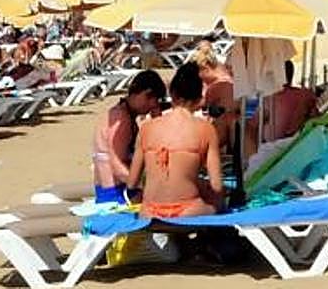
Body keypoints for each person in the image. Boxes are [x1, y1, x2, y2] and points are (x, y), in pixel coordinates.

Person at [128, 63, 223, 218]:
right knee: (218, 203)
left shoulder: (146, 128)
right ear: (199, 99)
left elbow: (132, 183)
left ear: (171, 93)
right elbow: (217, 186)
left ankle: (176, 241)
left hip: (150, 212)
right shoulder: (206, 129)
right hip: (188, 211)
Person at [92, 69, 166, 204]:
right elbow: (117, 166)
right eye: (152, 102)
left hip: (112, 188)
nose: (151, 107)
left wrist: (156, 115)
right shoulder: (122, 119)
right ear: (145, 94)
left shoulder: (123, 113)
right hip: (115, 193)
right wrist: (145, 186)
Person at [189, 44, 237, 147]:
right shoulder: (230, 80)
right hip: (234, 135)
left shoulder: (217, 87)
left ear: (205, 68)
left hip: (221, 138)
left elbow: (195, 106)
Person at [262, 60, 319, 141]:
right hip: (294, 145)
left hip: (271, 144)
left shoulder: (267, 98)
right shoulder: (305, 95)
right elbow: (316, 117)